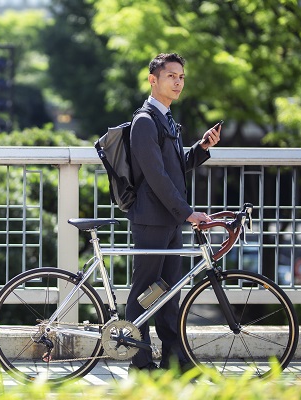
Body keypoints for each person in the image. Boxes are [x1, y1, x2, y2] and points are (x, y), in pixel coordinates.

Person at [125, 53, 221, 371]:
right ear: (153, 80)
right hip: (151, 219)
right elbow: (156, 177)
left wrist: (201, 148)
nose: (178, 82)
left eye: (181, 77)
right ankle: (139, 361)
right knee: (144, 291)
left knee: (169, 292)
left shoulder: (167, 120)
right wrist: (188, 212)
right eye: (171, 76)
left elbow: (175, 167)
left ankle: (173, 360)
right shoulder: (144, 121)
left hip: (168, 218)